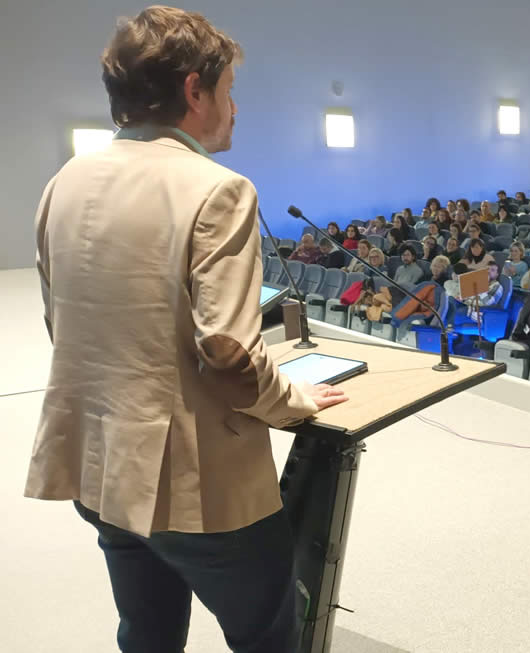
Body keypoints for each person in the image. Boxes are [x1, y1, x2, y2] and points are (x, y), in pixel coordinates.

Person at [27, 8, 349, 651]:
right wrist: (292, 400)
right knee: (267, 637)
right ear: (195, 91)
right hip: (195, 486)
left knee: (146, 633)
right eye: (229, 90)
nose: (235, 108)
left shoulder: (65, 181)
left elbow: (56, 321)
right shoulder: (218, 190)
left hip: (99, 462)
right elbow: (227, 354)